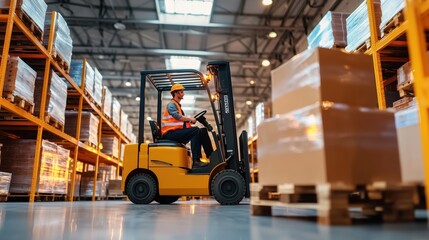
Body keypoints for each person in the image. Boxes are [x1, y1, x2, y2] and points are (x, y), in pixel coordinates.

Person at [160, 83, 208, 168]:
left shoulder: (178, 106)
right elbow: (177, 116)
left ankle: (210, 155)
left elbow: (181, 122)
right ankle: (196, 160)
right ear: (175, 93)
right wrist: (190, 119)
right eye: (181, 92)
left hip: (175, 132)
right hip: (169, 134)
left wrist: (191, 122)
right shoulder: (172, 104)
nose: (183, 93)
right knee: (196, 130)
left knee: (202, 131)